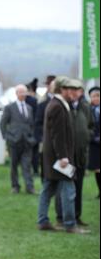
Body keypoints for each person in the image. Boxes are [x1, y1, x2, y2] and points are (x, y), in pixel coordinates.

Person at [37, 76, 89, 234]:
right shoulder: (58, 106)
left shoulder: (57, 104)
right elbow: (58, 135)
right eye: (70, 89)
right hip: (59, 159)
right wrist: (63, 157)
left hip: (53, 158)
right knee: (68, 190)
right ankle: (69, 224)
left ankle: (43, 221)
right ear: (62, 90)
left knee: (48, 189)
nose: (73, 92)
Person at [55, 79, 93, 227]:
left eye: (77, 89)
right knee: (63, 188)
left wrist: (87, 136)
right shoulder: (64, 106)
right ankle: (61, 217)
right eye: (72, 89)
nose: (74, 92)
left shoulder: (85, 106)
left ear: (81, 92)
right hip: (67, 156)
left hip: (81, 154)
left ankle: (77, 216)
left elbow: (91, 125)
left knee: (79, 187)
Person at [0, 84, 36, 194]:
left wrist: (32, 138)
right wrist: (7, 137)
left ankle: (30, 187)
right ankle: (15, 186)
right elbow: (2, 124)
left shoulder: (29, 108)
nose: (23, 94)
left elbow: (32, 125)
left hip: (27, 142)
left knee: (27, 166)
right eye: (20, 92)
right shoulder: (9, 107)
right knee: (13, 166)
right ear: (16, 93)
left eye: (24, 92)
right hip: (14, 142)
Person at [35, 75, 56, 179]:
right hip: (46, 141)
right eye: (49, 84)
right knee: (45, 167)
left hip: (59, 141)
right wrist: (42, 139)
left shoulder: (65, 102)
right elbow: (38, 123)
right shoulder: (42, 104)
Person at [87, 86, 100, 198]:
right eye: (93, 96)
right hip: (94, 143)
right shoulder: (88, 110)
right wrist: (94, 138)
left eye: (98, 96)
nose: (96, 98)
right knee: (97, 169)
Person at [26, 78, 39, 176]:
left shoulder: (24, 101)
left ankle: (29, 170)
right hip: (34, 129)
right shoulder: (34, 100)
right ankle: (35, 170)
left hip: (27, 130)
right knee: (34, 152)